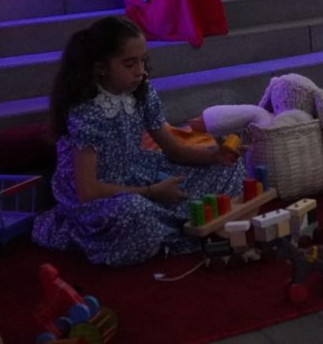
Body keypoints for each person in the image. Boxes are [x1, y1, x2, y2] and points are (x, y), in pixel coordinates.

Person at [32, 16, 244, 266]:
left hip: (138, 173)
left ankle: (169, 223)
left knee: (228, 168)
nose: (140, 71)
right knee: (134, 212)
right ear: (101, 68)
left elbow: (175, 151)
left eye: (143, 61)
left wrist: (215, 155)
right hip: (102, 196)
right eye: (130, 63)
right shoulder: (87, 111)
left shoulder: (142, 92)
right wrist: (152, 192)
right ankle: (169, 224)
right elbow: (88, 191)